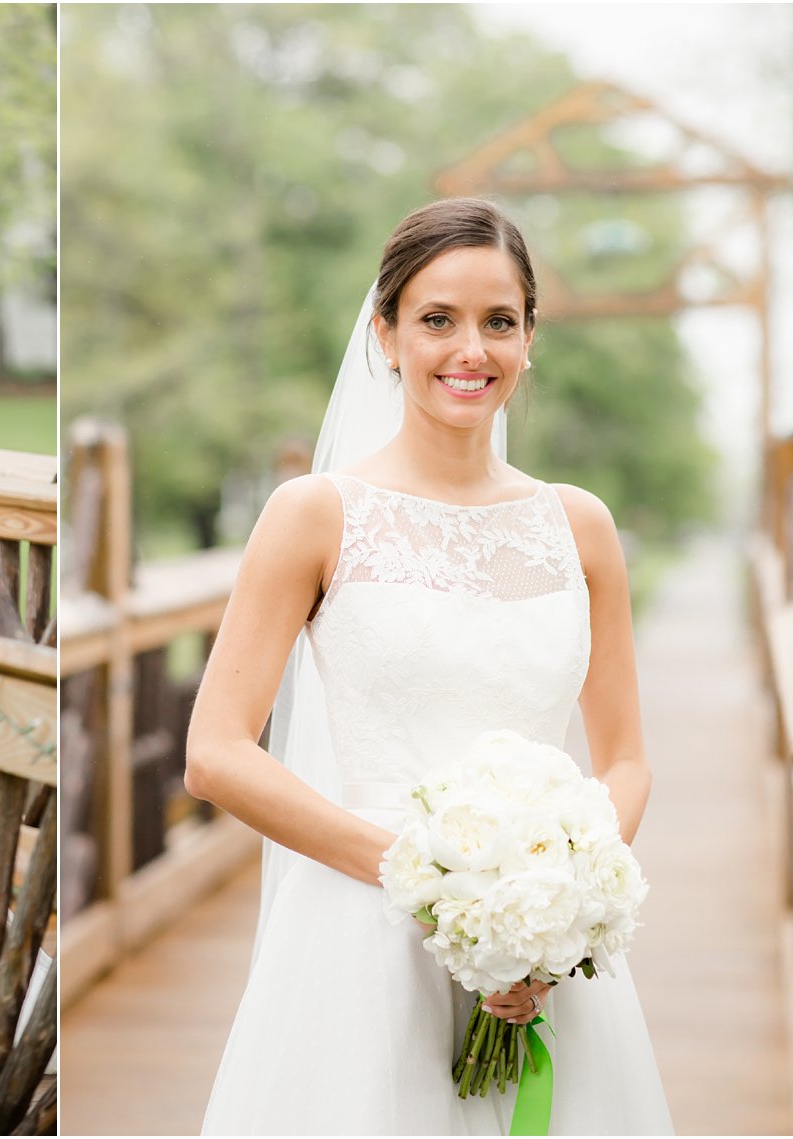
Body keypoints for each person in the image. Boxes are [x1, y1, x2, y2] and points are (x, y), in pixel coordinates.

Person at [184, 198, 673, 1134]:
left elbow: (625, 760)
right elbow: (216, 750)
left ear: (531, 337)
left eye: (499, 322)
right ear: (386, 333)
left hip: (543, 957)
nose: (470, 350)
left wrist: (557, 904)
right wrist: (441, 885)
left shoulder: (582, 527)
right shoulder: (315, 513)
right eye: (437, 319)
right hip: (361, 942)